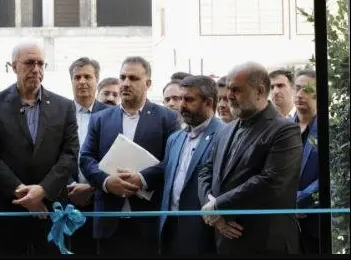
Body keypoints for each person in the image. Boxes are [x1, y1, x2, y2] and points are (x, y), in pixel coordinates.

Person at [0, 40, 79, 256]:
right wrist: (22, 193)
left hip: (51, 210)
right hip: (8, 209)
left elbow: (70, 154)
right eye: (29, 63)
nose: (36, 69)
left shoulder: (64, 107)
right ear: (14, 67)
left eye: (40, 63)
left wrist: (42, 191)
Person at [198, 61, 302, 255]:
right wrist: (212, 211)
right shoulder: (225, 130)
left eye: (236, 90)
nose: (229, 96)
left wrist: (218, 206)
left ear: (259, 91)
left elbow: (271, 181)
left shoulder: (285, 130)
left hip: (266, 244)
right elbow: (206, 171)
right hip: (225, 241)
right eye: (228, 89)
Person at [80, 56, 179, 256]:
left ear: (148, 83)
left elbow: (172, 161)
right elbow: (86, 158)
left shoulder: (167, 118)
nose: (125, 83)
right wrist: (107, 182)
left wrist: (142, 179)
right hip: (108, 221)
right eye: (122, 77)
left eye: (133, 78)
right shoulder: (100, 119)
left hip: (148, 220)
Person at [159, 75, 224, 256]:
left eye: (189, 100)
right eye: (181, 99)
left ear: (208, 102)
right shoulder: (175, 138)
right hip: (170, 228)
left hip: (204, 232)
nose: (182, 105)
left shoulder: (224, 135)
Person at [67, 57, 109, 255]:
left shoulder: (111, 115)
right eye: (77, 77)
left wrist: (93, 187)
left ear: (96, 80)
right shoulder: (59, 113)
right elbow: (51, 154)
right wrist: (70, 185)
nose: (82, 81)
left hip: (102, 198)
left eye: (87, 77)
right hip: (67, 200)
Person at [292, 69, 319, 254]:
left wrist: (302, 199)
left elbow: (333, 174)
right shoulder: (282, 128)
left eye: (307, 90)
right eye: (297, 88)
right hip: (285, 224)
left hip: (316, 222)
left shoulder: (331, 129)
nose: (300, 94)